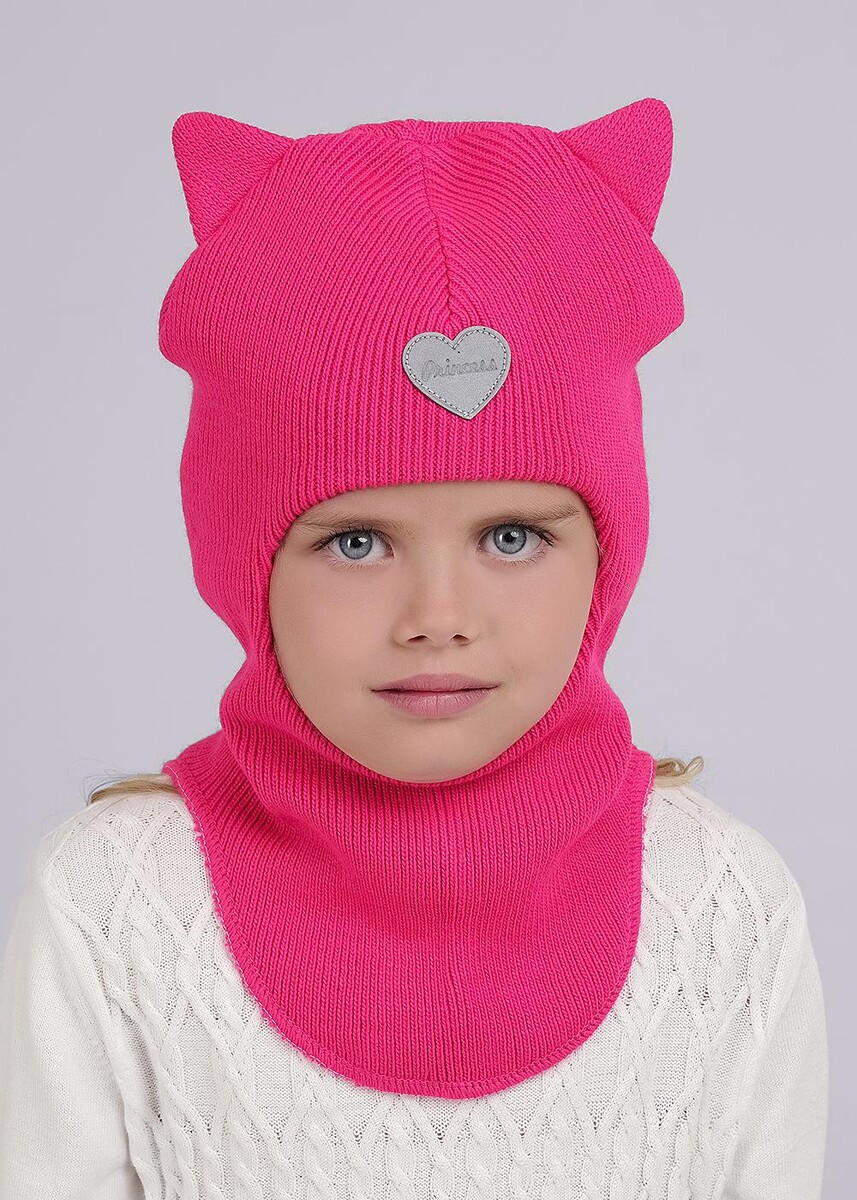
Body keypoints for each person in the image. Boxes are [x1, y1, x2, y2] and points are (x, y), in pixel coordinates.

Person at [0, 98, 828, 1198]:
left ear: (609, 557)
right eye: (355, 542)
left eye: (512, 536)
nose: (437, 614)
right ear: (240, 561)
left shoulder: (722, 904)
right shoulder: (116, 905)